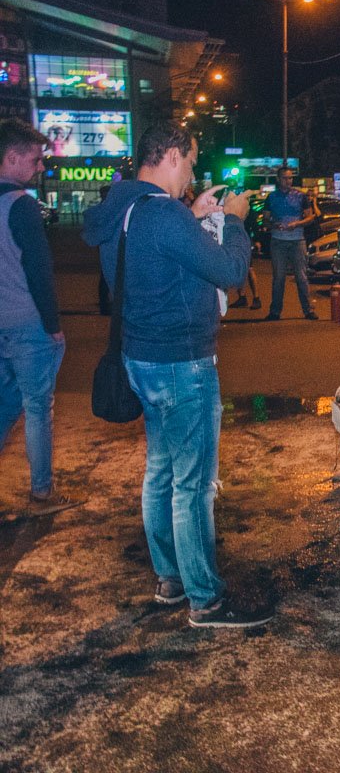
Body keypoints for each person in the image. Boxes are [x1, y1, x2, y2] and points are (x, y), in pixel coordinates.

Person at [83, 121, 271, 629]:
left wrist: (192, 215)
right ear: (169, 155)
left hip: (140, 359)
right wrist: (232, 221)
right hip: (181, 364)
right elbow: (231, 274)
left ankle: (170, 578)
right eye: (189, 161)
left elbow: (152, 254)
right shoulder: (163, 216)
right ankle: (206, 599)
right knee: (192, 486)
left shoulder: (125, 209)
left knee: (161, 473)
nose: (191, 172)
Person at [0, 119, 81, 512]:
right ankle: (42, 492)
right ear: (11, 158)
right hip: (27, 323)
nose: (40, 168)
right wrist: (53, 327)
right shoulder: (23, 206)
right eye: (34, 160)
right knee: (37, 408)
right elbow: (38, 270)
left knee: (3, 407)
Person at [263, 166, 317, 320]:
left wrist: (297, 224)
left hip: (297, 240)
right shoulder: (271, 198)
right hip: (278, 241)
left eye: (291, 178)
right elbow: (265, 220)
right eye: (286, 178)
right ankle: (275, 311)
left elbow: (310, 217)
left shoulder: (300, 196)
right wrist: (274, 225)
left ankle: (308, 310)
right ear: (279, 179)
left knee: (301, 276)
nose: (289, 181)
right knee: (279, 277)